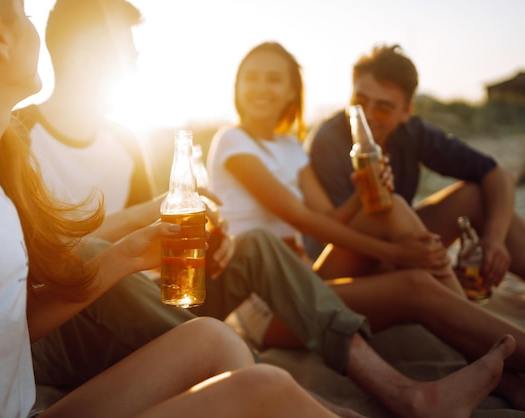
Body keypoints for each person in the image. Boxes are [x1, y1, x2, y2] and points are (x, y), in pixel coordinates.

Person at [16, 1, 525, 414]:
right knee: (113, 254)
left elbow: (159, 240)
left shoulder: (125, 142)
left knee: (257, 242)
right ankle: (266, 373)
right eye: (126, 52)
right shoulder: (17, 140)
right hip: (71, 324)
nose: (135, 63)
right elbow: (30, 264)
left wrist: (210, 246)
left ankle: (399, 384)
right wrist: (139, 223)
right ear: (86, 56)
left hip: (147, 307)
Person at [0, 1, 365, 417]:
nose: (33, 28)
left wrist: (130, 253)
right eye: (23, 12)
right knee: (262, 390)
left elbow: (5, 320)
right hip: (54, 372)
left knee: (215, 339)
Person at [206, 40, 525, 409]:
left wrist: (365, 190)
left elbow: (327, 219)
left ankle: (494, 357)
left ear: (293, 90)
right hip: (264, 299)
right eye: (252, 78)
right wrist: (393, 251)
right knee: (413, 280)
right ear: (236, 85)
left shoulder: (292, 147)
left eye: (274, 79)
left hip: (304, 278)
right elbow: (301, 218)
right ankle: (498, 356)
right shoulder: (231, 140)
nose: (261, 87)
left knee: (390, 208)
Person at [306, 44, 525, 290]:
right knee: (393, 209)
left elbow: (497, 174)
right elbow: (333, 232)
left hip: (400, 244)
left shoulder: (412, 133)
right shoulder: (328, 141)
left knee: (475, 196)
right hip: (341, 259)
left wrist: (494, 239)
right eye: (360, 101)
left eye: (383, 107)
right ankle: (456, 301)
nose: (368, 114)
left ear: (406, 111)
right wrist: (403, 256)